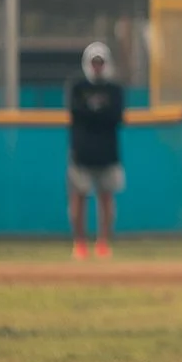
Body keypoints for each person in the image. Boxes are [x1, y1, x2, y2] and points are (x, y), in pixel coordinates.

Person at [67, 41, 126, 261]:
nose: (97, 66)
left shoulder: (115, 89)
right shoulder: (77, 88)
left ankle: (103, 243)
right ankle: (79, 244)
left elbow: (115, 117)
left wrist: (93, 112)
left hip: (107, 154)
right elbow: (77, 114)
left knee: (106, 199)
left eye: (101, 62)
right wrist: (98, 113)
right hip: (82, 153)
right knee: (78, 198)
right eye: (94, 62)